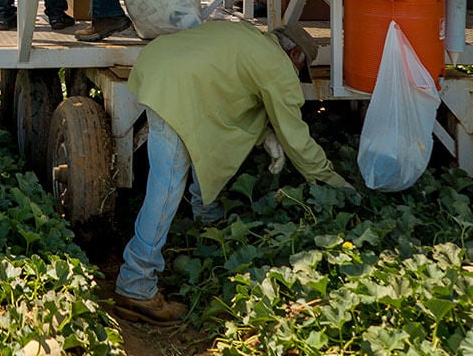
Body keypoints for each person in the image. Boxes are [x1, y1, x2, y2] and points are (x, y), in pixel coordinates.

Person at [113, 22, 352, 324]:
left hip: (159, 65)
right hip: (176, 86)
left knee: (203, 142)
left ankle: (207, 222)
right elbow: (297, 140)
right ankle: (135, 283)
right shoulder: (277, 65)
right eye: (298, 70)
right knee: (166, 188)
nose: (295, 77)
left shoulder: (250, 37)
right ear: (294, 54)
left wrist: (266, 132)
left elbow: (227, 103)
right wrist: (333, 182)